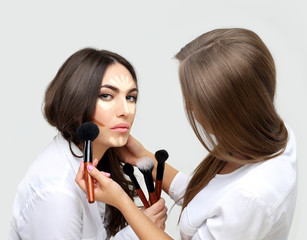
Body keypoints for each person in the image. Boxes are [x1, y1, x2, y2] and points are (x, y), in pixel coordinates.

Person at [76, 28, 297, 240]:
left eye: (193, 100)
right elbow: (210, 197)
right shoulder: (276, 133)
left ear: (223, 110)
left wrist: (123, 202)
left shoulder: (250, 198)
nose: (190, 108)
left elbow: (230, 202)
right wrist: (144, 158)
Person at [9, 48, 167, 240]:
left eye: (130, 97)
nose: (125, 110)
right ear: (76, 102)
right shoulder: (57, 193)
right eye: (107, 96)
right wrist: (137, 232)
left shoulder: (96, 157)